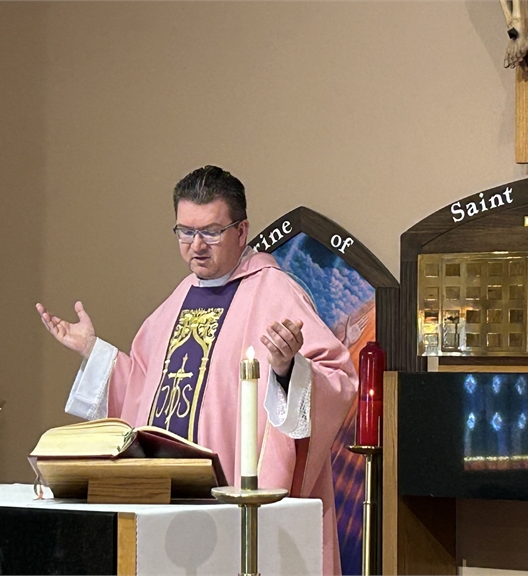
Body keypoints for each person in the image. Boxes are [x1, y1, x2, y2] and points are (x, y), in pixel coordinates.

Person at [36, 165, 355, 574]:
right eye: (185, 232)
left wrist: (288, 370)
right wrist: (94, 352)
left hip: (237, 505)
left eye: (211, 232)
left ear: (241, 231)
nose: (197, 246)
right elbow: (141, 393)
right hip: (167, 507)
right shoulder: (177, 301)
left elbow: (337, 378)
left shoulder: (274, 292)